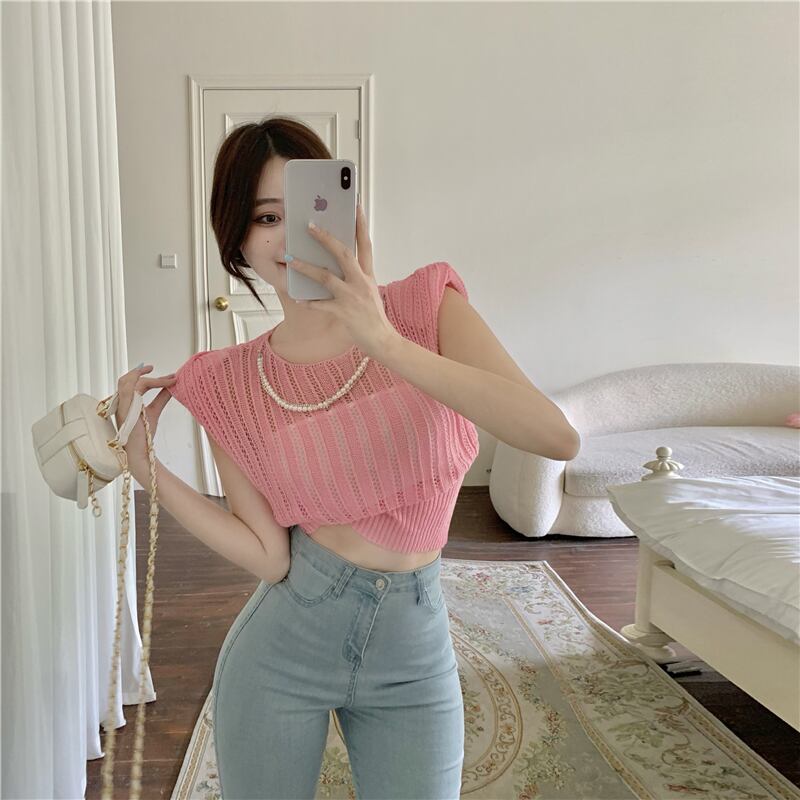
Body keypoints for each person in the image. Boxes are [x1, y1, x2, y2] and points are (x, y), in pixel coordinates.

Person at [121, 116, 477, 799]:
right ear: (238, 241)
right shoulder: (227, 380)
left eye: (309, 208)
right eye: (265, 217)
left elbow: (553, 434)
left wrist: (380, 335)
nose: (290, 236)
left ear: (344, 211)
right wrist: (146, 468)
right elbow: (269, 557)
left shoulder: (423, 309)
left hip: (416, 654)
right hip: (280, 656)